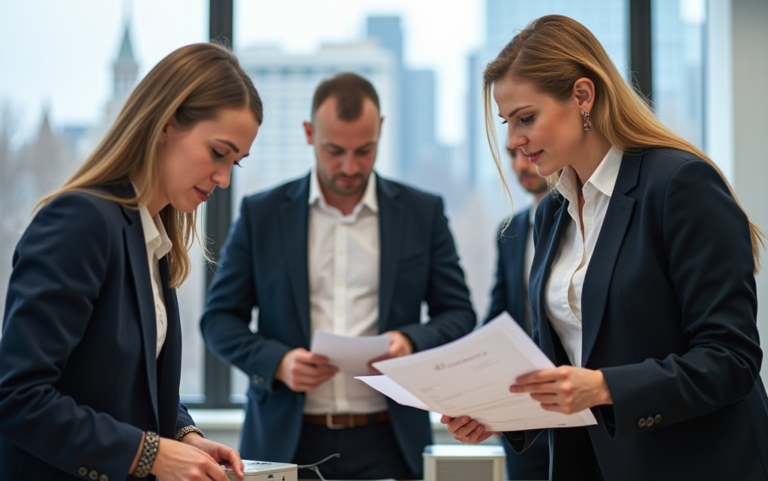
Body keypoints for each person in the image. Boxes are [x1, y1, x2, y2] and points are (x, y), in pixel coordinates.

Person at [443, 14, 768, 481]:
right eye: (507, 123)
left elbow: (730, 359)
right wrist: (494, 413)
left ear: (582, 96)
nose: (514, 140)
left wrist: (604, 387)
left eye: (526, 118)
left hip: (696, 463)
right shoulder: (550, 214)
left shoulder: (678, 185)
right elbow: (565, 366)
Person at [0, 43, 262, 481]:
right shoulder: (81, 221)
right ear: (165, 124)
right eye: (218, 153)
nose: (223, 178)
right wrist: (152, 454)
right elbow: (17, 396)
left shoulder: (152, 240)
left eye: (236, 162)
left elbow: (127, 383)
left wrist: (184, 435)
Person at [200, 72, 476, 480]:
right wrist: (279, 362)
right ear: (309, 133)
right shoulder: (262, 214)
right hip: (286, 441)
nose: (350, 167)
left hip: (392, 442)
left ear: (381, 130)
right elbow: (218, 319)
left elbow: (459, 313)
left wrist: (410, 341)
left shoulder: (422, 213)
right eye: (334, 151)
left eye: (365, 150)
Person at [485, 146, 549, 480]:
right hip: (523, 409)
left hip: (581, 402)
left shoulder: (590, 223)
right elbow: (499, 318)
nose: (520, 165)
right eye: (512, 155)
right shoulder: (510, 231)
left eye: (528, 154)